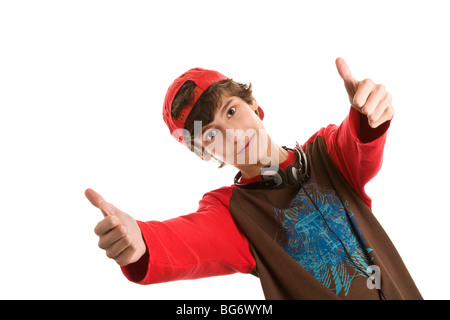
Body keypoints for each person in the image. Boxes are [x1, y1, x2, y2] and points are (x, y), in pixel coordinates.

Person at [85, 58, 422, 299]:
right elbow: (182, 242)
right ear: (204, 153)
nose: (231, 134)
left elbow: (358, 139)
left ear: (254, 104)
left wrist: (369, 114)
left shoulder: (327, 153)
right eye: (210, 135)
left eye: (231, 111)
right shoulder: (233, 214)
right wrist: (140, 241)